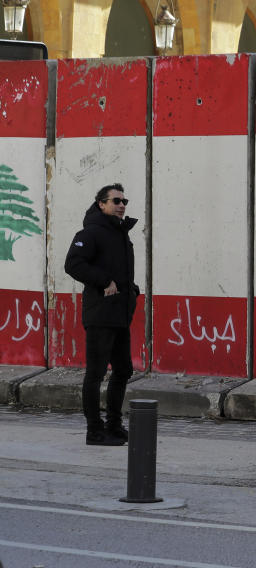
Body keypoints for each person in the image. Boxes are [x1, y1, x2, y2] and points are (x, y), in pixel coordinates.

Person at [65, 184, 140, 446]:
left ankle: (114, 426)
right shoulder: (91, 232)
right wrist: (104, 281)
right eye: (116, 201)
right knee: (95, 374)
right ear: (101, 204)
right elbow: (73, 264)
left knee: (123, 370)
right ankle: (94, 431)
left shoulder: (120, 233)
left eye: (124, 200)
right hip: (100, 314)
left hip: (120, 314)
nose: (121, 205)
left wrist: (132, 291)